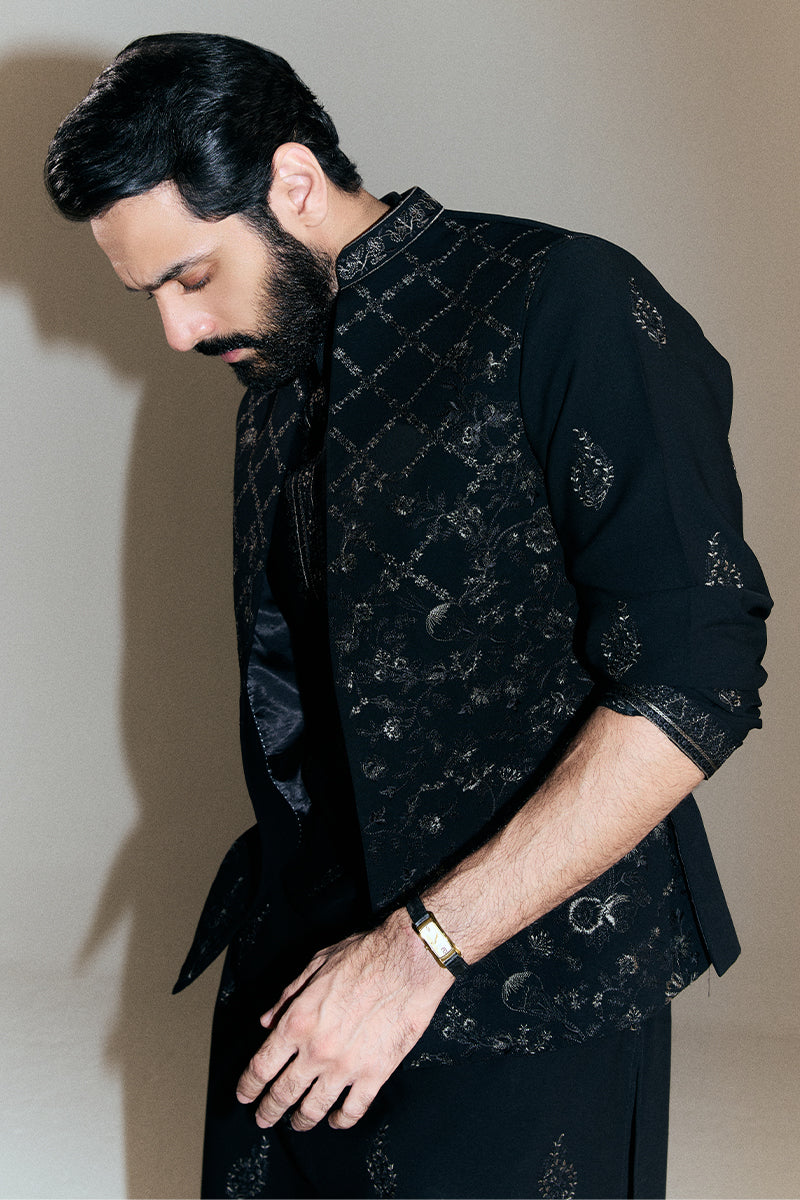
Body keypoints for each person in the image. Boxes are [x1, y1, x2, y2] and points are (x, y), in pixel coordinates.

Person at [45, 32, 770, 1200]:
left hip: (526, 1004)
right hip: (299, 997)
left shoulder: (564, 298)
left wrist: (415, 953)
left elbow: (696, 676)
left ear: (291, 181)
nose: (175, 332)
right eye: (150, 296)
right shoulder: (273, 379)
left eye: (189, 276)